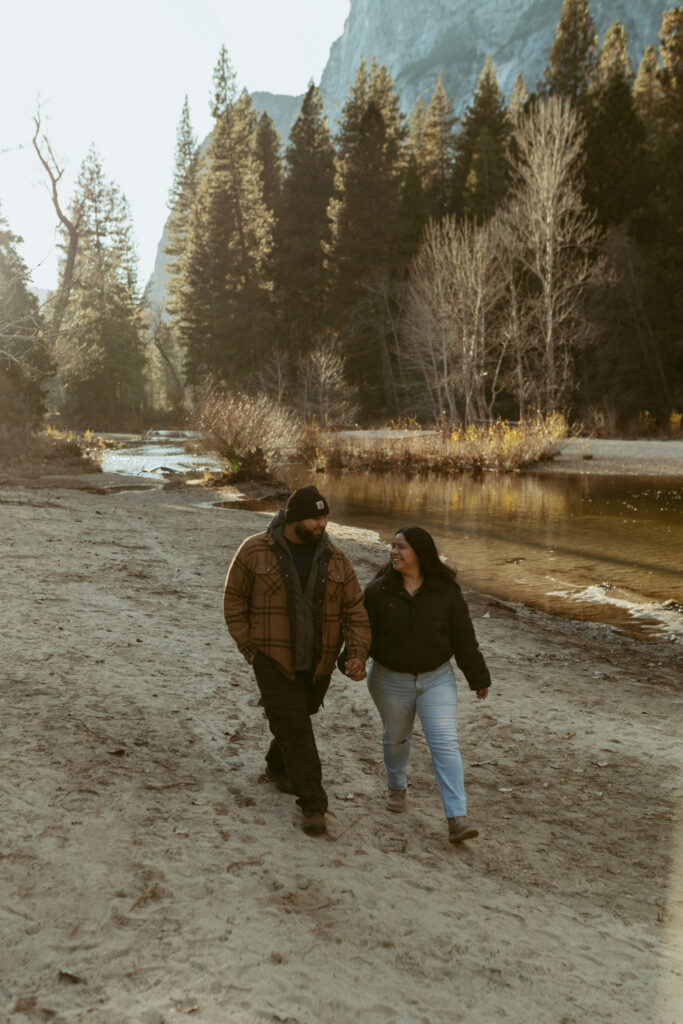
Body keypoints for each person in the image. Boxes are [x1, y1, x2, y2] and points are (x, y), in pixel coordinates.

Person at [223, 485, 370, 837]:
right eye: (315, 517)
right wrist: (251, 650)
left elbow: (355, 611)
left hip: (318, 664)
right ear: (293, 518)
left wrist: (356, 653)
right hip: (271, 658)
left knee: (295, 721)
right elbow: (233, 601)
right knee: (296, 726)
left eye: (325, 516)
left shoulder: (336, 558)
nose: (322, 523)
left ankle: (278, 766)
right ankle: (314, 804)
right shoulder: (255, 550)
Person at [361, 526, 491, 844]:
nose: (393, 551)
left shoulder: (446, 591)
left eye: (401, 547)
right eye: (393, 546)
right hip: (389, 680)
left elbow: (463, 638)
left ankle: (457, 818)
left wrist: (478, 677)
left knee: (445, 743)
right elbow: (362, 635)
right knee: (396, 739)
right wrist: (350, 659)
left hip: (436, 680)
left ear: (420, 553)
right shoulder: (378, 592)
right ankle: (396, 787)